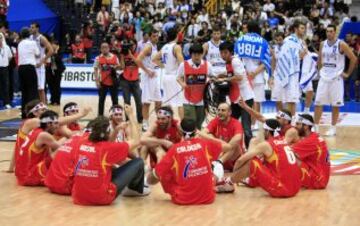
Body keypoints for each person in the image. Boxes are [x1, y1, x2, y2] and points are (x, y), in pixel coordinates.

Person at [71, 106, 150, 206]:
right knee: (138, 162)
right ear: (107, 132)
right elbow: (137, 141)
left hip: (78, 197)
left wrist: (116, 130)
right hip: (102, 198)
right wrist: (131, 115)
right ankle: (134, 190)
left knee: (104, 165)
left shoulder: (82, 142)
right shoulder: (107, 148)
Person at [146, 118, 232, 205]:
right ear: (195, 130)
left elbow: (155, 176)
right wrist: (204, 135)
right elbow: (228, 146)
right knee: (217, 165)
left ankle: (144, 182)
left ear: (180, 131)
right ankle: (219, 181)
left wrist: (148, 180)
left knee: (164, 170)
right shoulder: (204, 143)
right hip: (207, 197)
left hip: (183, 199)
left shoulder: (175, 149)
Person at [223, 119, 302, 197]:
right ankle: (248, 180)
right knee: (264, 160)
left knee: (253, 162)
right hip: (296, 188)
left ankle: (228, 183)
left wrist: (234, 174)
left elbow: (240, 160)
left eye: (264, 130)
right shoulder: (284, 141)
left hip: (283, 189)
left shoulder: (266, 145)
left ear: (267, 131)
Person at [7, 100, 91, 173]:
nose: (46, 111)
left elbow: (17, 147)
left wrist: (11, 168)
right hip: (31, 168)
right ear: (35, 113)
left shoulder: (37, 127)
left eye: (46, 109)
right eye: (43, 110)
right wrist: (81, 114)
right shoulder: (33, 122)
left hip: (27, 165)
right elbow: (67, 135)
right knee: (66, 144)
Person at [314, 24, 357, 136]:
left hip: (336, 78)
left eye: (331, 31)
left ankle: (333, 128)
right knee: (318, 103)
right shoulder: (323, 44)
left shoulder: (341, 44)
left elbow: (353, 58)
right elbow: (319, 59)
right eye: (327, 31)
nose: (329, 33)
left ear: (335, 32)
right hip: (324, 78)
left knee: (335, 105)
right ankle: (316, 128)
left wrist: (347, 74)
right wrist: (320, 71)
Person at [15, 110, 66, 186]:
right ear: (48, 124)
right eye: (56, 123)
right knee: (64, 149)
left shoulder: (36, 130)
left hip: (21, 174)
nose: (58, 126)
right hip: (28, 176)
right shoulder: (44, 135)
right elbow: (60, 148)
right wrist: (72, 137)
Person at [219, 41, 254, 148]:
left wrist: (224, 78)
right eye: (221, 53)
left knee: (246, 127)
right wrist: (220, 75)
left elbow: (239, 77)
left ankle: (250, 150)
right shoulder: (229, 62)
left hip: (245, 98)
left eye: (225, 53)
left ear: (230, 52)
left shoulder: (235, 61)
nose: (223, 55)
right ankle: (232, 146)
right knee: (229, 122)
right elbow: (232, 74)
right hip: (236, 98)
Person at [286, 114, 330, 189]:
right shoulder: (315, 136)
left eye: (298, 124)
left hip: (317, 180)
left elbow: (283, 150)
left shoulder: (309, 141)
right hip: (322, 177)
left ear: (306, 126)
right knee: (292, 153)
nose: (295, 126)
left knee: (288, 155)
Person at [274, 20, 307, 116]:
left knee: (292, 100)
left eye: (304, 28)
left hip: (295, 73)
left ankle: (292, 122)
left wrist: (302, 53)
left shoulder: (301, 42)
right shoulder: (288, 40)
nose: (303, 30)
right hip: (285, 72)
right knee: (281, 99)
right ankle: (281, 121)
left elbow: (302, 56)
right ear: (296, 29)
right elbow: (281, 57)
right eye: (301, 28)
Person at [198, 102, 244, 172]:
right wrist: (216, 140)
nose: (219, 112)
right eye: (218, 110)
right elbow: (202, 133)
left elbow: (234, 141)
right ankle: (216, 163)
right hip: (221, 154)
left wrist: (219, 143)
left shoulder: (236, 123)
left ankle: (218, 163)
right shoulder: (215, 121)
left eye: (223, 110)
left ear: (229, 112)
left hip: (232, 158)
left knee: (234, 145)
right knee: (208, 136)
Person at [152, 27, 185, 119]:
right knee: (180, 103)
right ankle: (182, 124)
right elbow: (182, 64)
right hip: (175, 77)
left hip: (166, 77)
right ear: (176, 35)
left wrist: (163, 66)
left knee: (168, 101)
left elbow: (154, 59)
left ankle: (169, 122)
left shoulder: (165, 47)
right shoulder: (176, 47)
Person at [136, 29, 161, 131]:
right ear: (150, 37)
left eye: (157, 36)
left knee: (159, 101)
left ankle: (159, 121)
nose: (156, 37)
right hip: (148, 76)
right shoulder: (148, 46)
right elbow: (138, 60)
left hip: (154, 75)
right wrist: (147, 71)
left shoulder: (155, 46)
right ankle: (145, 123)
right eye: (154, 36)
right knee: (146, 102)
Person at [119, 39, 143, 124]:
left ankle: (140, 120)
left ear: (136, 45)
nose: (131, 46)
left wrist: (130, 55)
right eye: (130, 45)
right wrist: (121, 57)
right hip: (125, 81)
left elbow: (139, 64)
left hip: (135, 81)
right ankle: (128, 120)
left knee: (139, 102)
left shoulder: (139, 54)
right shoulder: (124, 55)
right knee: (127, 101)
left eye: (132, 45)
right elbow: (122, 67)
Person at [18, 27, 40, 119]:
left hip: (21, 68)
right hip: (30, 67)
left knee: (24, 91)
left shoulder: (20, 44)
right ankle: (32, 113)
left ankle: (24, 113)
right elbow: (38, 53)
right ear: (29, 34)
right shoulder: (32, 43)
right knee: (33, 90)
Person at [30, 22, 54, 104]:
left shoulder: (42, 38)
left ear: (37, 28)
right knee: (33, 88)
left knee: (41, 88)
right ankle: (35, 105)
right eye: (31, 27)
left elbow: (51, 50)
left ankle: (44, 106)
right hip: (31, 65)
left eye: (33, 27)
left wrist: (42, 61)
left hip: (39, 66)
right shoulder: (29, 38)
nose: (31, 29)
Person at [94, 42, 120, 116]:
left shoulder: (115, 57)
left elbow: (119, 66)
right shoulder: (98, 58)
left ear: (109, 48)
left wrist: (115, 67)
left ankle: (116, 114)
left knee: (115, 100)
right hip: (103, 82)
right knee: (101, 100)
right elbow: (95, 69)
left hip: (113, 82)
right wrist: (97, 81)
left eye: (106, 47)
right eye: (103, 47)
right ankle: (100, 116)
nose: (104, 49)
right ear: (100, 49)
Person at [0, 33, 13, 109]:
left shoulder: (7, 47)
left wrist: (5, 62)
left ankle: (7, 102)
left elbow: (10, 57)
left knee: (6, 85)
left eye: (0, 38)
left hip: (5, 68)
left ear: (2, 38)